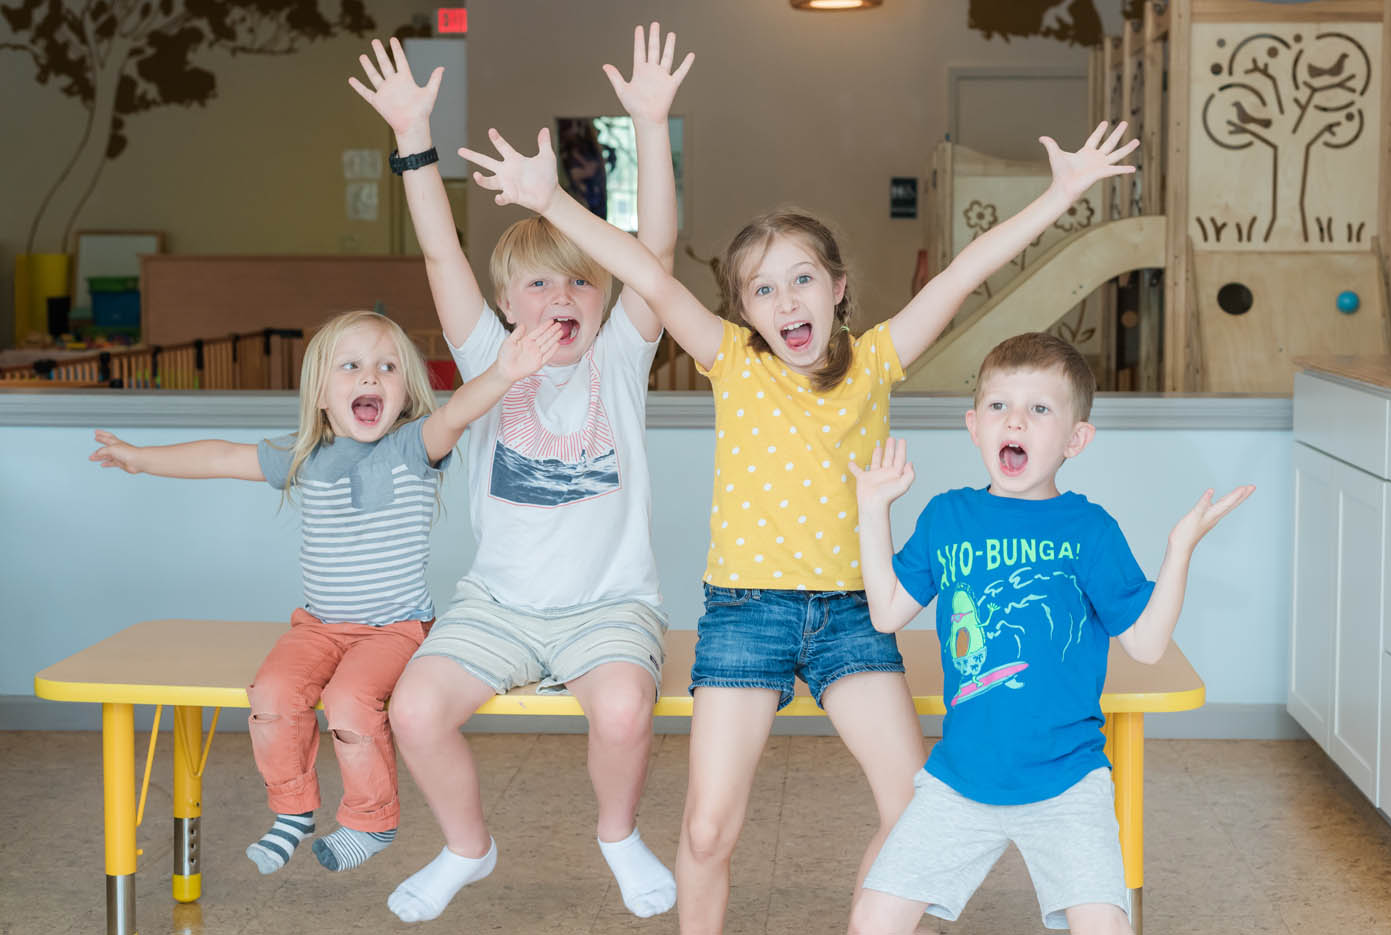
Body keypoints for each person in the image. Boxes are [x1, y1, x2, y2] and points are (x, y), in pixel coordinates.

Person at [462, 98, 1140, 927]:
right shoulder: (731, 362)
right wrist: (551, 203)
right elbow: (645, 274)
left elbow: (965, 274)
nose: (786, 300)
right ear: (746, 310)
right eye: (763, 288)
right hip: (747, 613)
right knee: (709, 828)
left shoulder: (879, 361)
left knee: (910, 809)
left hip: (856, 613)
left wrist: (1060, 193)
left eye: (803, 279)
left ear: (839, 288)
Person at [349, 24, 693, 923]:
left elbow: (654, 259)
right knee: (416, 712)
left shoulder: (620, 358)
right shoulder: (486, 357)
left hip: (609, 605)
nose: (560, 300)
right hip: (494, 605)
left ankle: (617, 833)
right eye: (537, 287)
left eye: (579, 283)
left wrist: (650, 124)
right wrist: (412, 142)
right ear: (506, 306)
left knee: (623, 711)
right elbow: (439, 255)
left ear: (603, 296)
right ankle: (468, 847)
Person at [89, 309, 562, 875]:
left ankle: (372, 819)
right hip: (318, 627)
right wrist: (139, 459)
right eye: (352, 366)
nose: (370, 378)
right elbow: (219, 456)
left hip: (394, 630)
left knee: (348, 703)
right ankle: (293, 811)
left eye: (387, 367)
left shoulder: (414, 445)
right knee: (270, 693)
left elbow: (459, 410)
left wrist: (504, 372)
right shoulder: (304, 457)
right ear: (319, 393)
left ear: (406, 390)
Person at [848, 332, 1254, 934]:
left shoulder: (1089, 529)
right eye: (999, 406)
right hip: (958, 782)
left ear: (1075, 438)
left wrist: (1178, 550)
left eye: (1039, 409)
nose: (1015, 419)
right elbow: (885, 612)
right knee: (872, 924)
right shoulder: (947, 516)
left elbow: (1144, 644)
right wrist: (872, 508)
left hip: (1068, 784)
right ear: (974, 426)